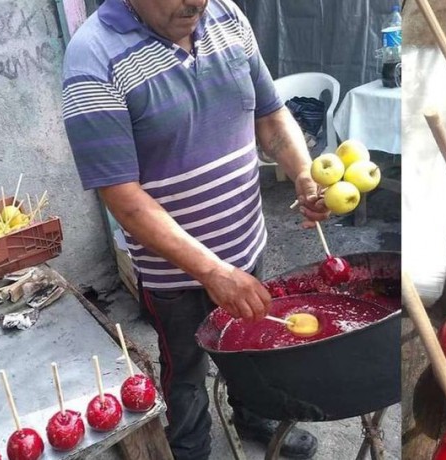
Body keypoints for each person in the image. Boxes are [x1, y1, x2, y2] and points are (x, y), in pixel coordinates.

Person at [61, 0, 327, 458]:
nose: (195, 3)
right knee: (185, 369)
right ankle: (191, 447)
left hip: (248, 243)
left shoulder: (226, 14)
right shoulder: (92, 60)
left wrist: (302, 171)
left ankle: (253, 415)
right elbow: (122, 197)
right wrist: (212, 271)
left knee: (250, 342)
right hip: (175, 277)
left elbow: (270, 113)